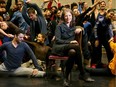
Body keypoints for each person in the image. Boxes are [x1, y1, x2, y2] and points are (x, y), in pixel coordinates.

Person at [51, 8, 95, 87]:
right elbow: (57, 40)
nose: (68, 18)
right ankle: (82, 73)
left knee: (73, 52)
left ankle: (65, 78)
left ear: (72, 16)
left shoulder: (73, 26)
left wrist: (80, 29)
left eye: (69, 15)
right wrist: (69, 42)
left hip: (70, 48)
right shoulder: (59, 26)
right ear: (63, 17)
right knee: (76, 46)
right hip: (59, 47)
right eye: (66, 16)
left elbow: (83, 31)